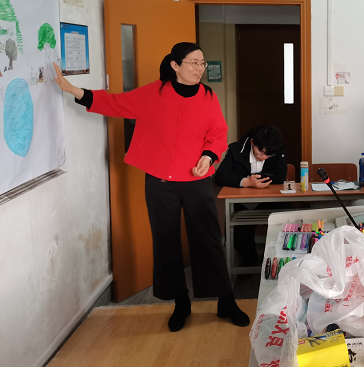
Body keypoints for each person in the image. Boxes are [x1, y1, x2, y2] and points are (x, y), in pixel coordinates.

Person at [52, 43, 249, 332]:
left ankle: (226, 301)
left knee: (208, 240)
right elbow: (114, 103)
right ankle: (181, 303)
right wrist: (72, 90)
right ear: (175, 65)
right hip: (160, 182)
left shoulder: (208, 96)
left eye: (202, 63)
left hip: (197, 180)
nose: (199, 68)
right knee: (166, 242)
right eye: (193, 63)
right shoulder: (152, 93)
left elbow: (218, 132)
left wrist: (208, 157)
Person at [215, 125, 287, 270]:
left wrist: (256, 179)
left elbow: (280, 175)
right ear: (252, 142)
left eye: (268, 155)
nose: (263, 158)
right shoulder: (236, 149)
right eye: (260, 153)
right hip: (242, 201)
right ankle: (249, 262)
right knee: (240, 233)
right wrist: (246, 181)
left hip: (269, 199)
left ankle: (271, 262)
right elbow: (220, 176)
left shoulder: (277, 149)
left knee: (286, 220)